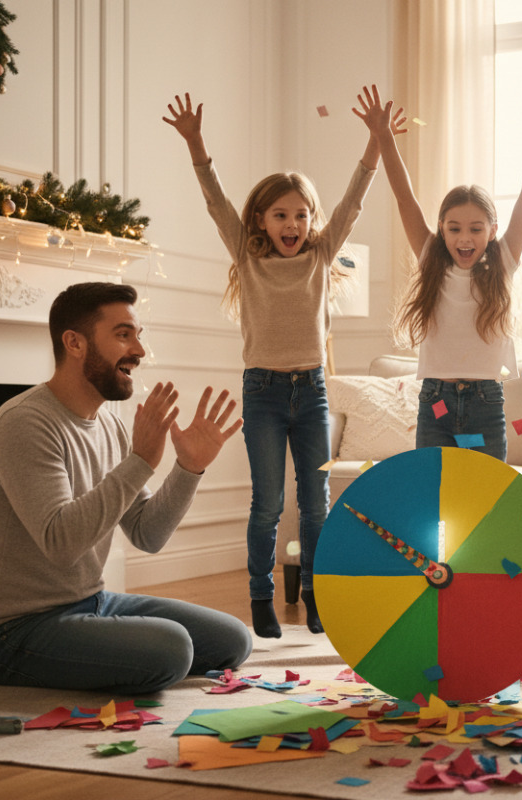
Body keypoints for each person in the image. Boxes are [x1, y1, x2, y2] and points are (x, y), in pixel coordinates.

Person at [164, 88, 403, 638]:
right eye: (280, 215)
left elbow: (353, 203)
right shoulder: (246, 256)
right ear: (262, 220)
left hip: (313, 391)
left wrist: (374, 143)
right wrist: (198, 145)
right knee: (268, 504)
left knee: (316, 505)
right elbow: (215, 201)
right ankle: (261, 598)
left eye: (300, 215)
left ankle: (317, 596)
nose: (291, 223)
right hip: (264, 393)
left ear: (311, 221)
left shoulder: (322, 253)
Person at [0, 282, 252, 694]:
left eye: (137, 335)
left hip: (91, 603)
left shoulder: (110, 425)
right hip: (12, 631)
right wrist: (140, 462)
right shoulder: (24, 424)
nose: (139, 350)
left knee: (232, 639)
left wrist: (188, 468)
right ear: (75, 343)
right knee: (172, 651)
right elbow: (61, 542)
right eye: (123, 334)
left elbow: (147, 534)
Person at [356, 84, 522, 461]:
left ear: (492, 229)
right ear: (441, 228)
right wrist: (383, 136)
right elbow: (404, 196)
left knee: (483, 498)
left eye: (475, 228)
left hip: (485, 402)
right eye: (454, 228)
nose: (465, 238)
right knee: (434, 495)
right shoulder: (430, 258)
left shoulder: (502, 263)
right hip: (435, 400)